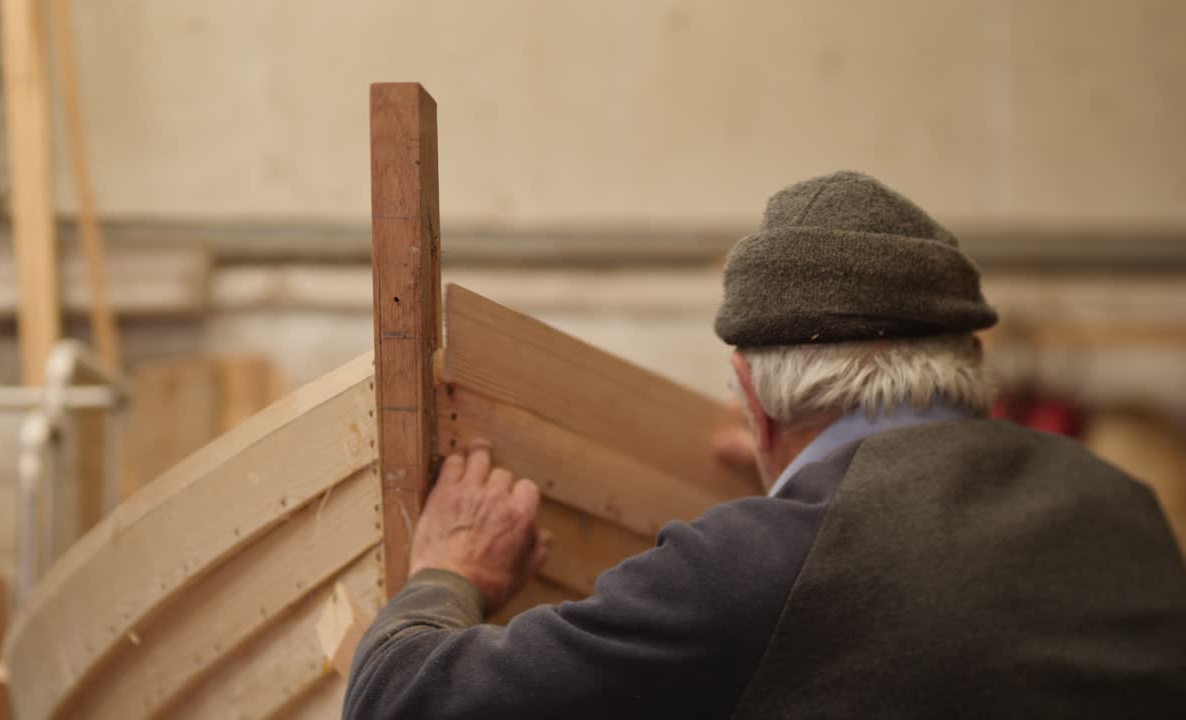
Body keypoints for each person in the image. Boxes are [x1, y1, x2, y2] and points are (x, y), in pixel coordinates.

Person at [343, 171, 1186, 718]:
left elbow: (399, 706)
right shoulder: (1117, 510)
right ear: (968, 364)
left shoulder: (755, 569)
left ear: (753, 401)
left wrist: (448, 572)